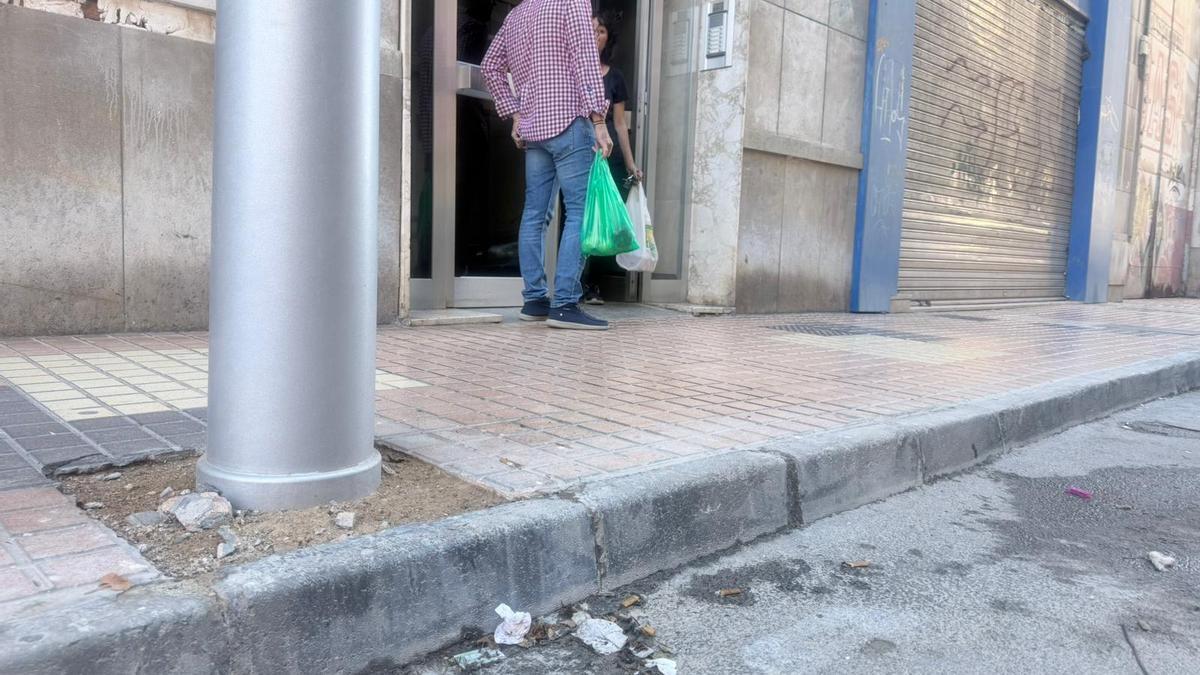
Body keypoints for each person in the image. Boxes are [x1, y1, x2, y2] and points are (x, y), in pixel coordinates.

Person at [482, 0, 615, 331]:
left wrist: (514, 112)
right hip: (569, 120)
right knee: (580, 212)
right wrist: (599, 119)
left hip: (534, 129)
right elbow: (586, 60)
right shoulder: (572, 3)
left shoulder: (517, 13)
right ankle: (566, 303)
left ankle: (535, 300)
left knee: (534, 215)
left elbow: (489, 66)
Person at [580, 9, 644, 306]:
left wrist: (630, 164)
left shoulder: (615, 77)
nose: (595, 36)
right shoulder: (574, 70)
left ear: (608, 38)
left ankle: (593, 284)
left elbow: (619, 124)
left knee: (606, 220)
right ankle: (574, 282)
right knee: (578, 218)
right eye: (590, 30)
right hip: (579, 153)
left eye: (601, 31)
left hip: (606, 157)